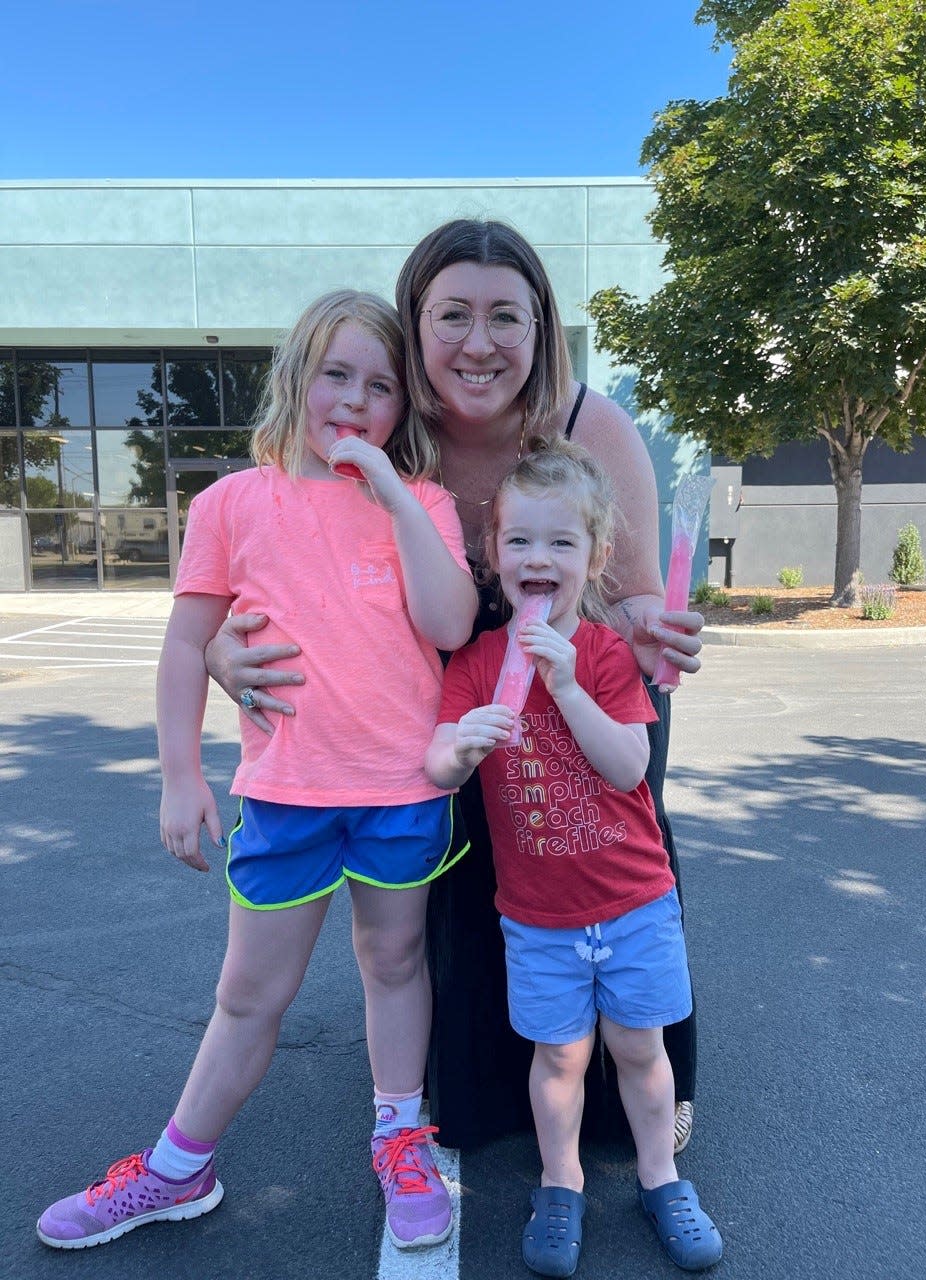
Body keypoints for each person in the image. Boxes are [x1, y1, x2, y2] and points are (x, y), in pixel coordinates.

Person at [203, 219, 704, 1154]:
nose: (480, 343)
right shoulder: (393, 429)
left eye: (506, 317)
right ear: (415, 323)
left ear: (543, 327)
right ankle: (485, 1083)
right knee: (468, 880)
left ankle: (654, 1073)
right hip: (448, 688)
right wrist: (217, 656)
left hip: (583, 683)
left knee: (613, 863)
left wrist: (652, 622)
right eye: (453, 316)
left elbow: (635, 593)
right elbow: (290, 568)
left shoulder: (588, 425)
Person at [36, 290, 478, 1254]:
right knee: (249, 996)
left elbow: (448, 624)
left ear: (404, 408)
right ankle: (175, 1167)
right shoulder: (234, 503)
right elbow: (186, 641)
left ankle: (401, 1134)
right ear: (295, 379)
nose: (355, 403)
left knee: (394, 964)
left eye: (381, 387)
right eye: (336, 376)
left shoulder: (426, 504)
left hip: (401, 792)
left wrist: (394, 490)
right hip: (284, 795)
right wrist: (179, 773)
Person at [424, 437, 722, 1276]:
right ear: (493, 557)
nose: (538, 557)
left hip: (634, 902)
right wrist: (458, 751)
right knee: (558, 1056)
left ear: (594, 559)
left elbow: (630, 766)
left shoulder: (602, 655)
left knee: (640, 1048)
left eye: (561, 542)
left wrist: (563, 684)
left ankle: (661, 1177)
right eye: (519, 541)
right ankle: (561, 1181)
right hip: (538, 914)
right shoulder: (478, 665)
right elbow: (437, 760)